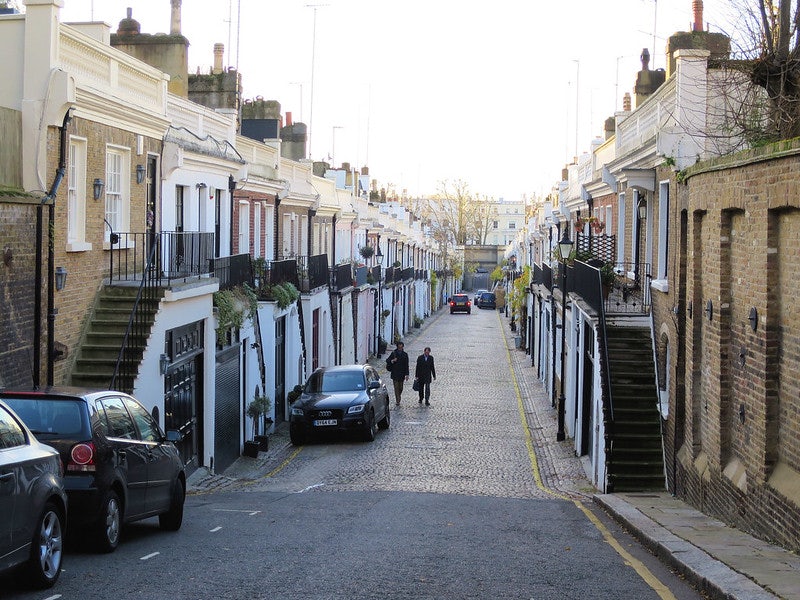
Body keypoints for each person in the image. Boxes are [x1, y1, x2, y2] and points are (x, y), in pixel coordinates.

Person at [386, 341, 409, 406]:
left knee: (401, 388)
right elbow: (387, 360)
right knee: (396, 387)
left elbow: (406, 365)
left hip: (402, 374)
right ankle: (397, 400)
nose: (400, 348)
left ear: (403, 347)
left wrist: (407, 374)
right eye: (399, 347)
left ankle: (398, 396)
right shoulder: (393, 353)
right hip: (395, 374)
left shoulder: (405, 355)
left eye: (401, 347)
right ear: (397, 347)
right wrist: (392, 360)